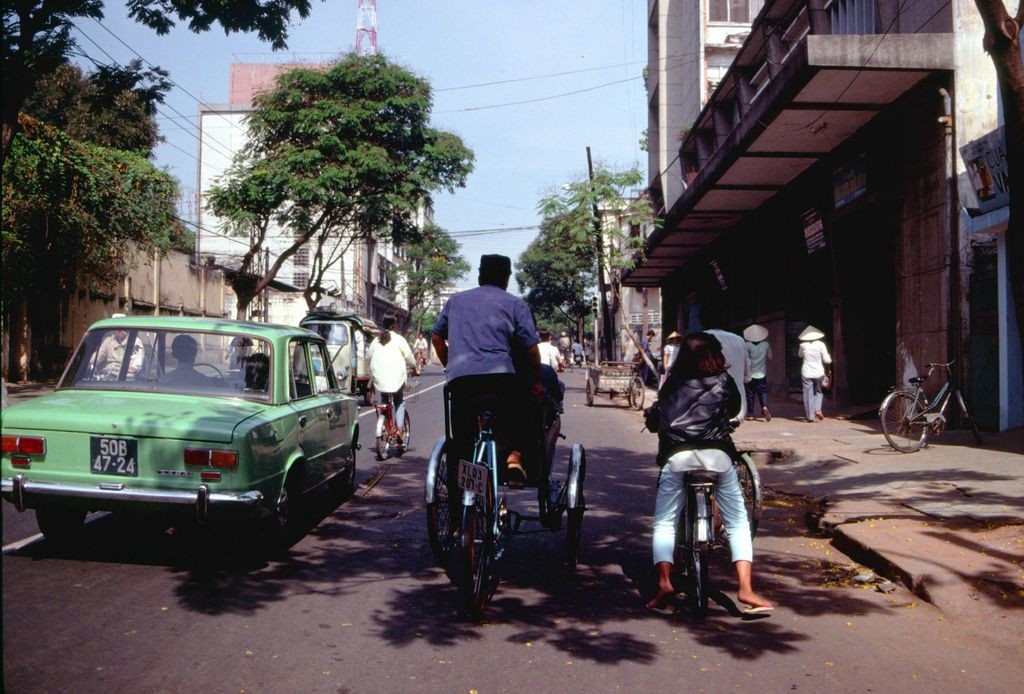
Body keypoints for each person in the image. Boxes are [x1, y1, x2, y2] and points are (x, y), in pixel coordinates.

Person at [648, 332, 773, 614]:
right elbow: (736, 410)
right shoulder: (723, 381)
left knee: (665, 523)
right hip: (717, 457)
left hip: (676, 458)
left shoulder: (671, 385)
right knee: (738, 521)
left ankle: (665, 581)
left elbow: (657, 421)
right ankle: (745, 588)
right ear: (715, 355)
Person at [431, 254, 543, 487]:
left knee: (463, 438)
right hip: (501, 380)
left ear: (480, 276)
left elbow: (436, 337)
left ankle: (463, 490)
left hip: (461, 382)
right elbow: (531, 351)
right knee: (523, 412)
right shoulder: (515, 304)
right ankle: (514, 457)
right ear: (507, 278)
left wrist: (450, 365)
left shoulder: (456, 301)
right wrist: (536, 381)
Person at [368, 315, 417, 442]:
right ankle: (400, 430)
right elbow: (410, 358)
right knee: (399, 401)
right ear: (394, 326)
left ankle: (386, 426)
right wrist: (414, 368)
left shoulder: (376, 340)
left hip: (380, 378)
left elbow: (368, 355)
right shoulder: (399, 339)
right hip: (396, 378)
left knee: (384, 400)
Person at [700, 303, 751, 423]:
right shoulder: (739, 340)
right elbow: (747, 376)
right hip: (737, 408)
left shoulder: (698, 340)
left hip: (705, 408)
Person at [798, 325, 832, 422]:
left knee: (807, 394)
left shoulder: (803, 345)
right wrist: (829, 357)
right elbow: (827, 360)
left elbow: (799, 355)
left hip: (806, 372)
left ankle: (810, 416)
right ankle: (817, 409)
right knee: (819, 392)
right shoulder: (821, 344)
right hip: (819, 372)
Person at [743, 324, 772, 421]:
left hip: (750, 373)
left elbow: (745, 358)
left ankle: (751, 414)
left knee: (750, 394)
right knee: (762, 392)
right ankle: (764, 407)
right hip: (762, 374)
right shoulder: (765, 344)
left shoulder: (747, 345)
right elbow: (770, 356)